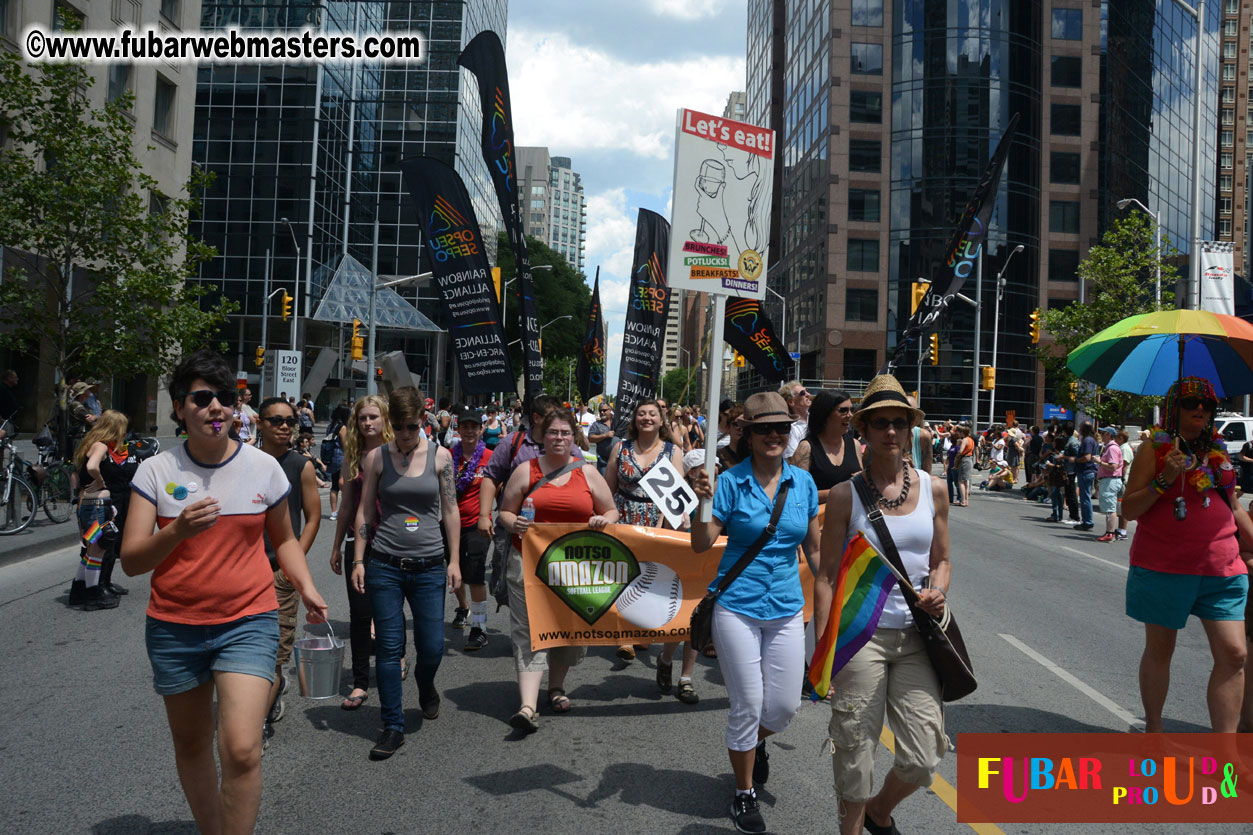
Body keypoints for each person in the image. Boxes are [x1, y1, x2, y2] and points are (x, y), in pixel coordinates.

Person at [120, 349, 328, 834]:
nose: (215, 407)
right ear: (179, 408)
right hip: (175, 628)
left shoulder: (263, 469)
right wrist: (176, 532)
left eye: (224, 399)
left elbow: (284, 541)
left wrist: (307, 585)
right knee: (192, 745)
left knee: (239, 746)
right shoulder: (156, 472)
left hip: (248, 621)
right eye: (201, 398)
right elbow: (131, 561)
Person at [813, 374, 950, 835]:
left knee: (923, 756)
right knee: (854, 750)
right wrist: (823, 651)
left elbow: (943, 559)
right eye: (880, 423)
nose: (891, 432)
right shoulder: (846, 494)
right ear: (865, 432)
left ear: (910, 429)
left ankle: (879, 810)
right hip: (859, 636)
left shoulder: (934, 489)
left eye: (899, 422)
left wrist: (939, 589)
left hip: (916, 636)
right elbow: (827, 575)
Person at [689, 392, 820, 835]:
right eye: (764, 428)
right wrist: (699, 504)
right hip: (737, 607)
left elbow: (814, 547)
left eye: (782, 428)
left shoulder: (801, 483)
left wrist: (835, 587)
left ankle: (752, 745)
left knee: (782, 708)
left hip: (786, 608)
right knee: (747, 704)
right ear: (746, 433)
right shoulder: (727, 482)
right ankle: (743, 792)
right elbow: (701, 544)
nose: (774, 436)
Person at [1122, 377, 1252, 733]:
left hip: (1223, 567)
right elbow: (1129, 510)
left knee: (1235, 654)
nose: (1200, 410)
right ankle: (1154, 729)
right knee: (1162, 650)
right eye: (1191, 403)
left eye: (1207, 405)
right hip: (1165, 566)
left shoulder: (1219, 450)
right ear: (1172, 409)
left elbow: (1234, 505)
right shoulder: (1155, 450)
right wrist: (1164, 480)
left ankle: (1226, 754)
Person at [350, 387, 460, 760]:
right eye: (398, 427)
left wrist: (454, 560)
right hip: (385, 565)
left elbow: (450, 511)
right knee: (389, 648)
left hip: (429, 567)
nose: (405, 435)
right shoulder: (376, 458)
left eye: (411, 427)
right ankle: (392, 726)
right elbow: (364, 512)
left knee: (432, 646)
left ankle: (425, 684)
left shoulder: (441, 457)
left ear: (423, 422)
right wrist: (358, 560)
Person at [496, 407, 618, 733]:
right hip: (528, 563)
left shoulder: (588, 474)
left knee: (567, 632)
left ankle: (556, 686)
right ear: (542, 437)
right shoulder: (525, 471)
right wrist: (515, 522)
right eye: (553, 433)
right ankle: (527, 705)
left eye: (565, 433)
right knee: (528, 631)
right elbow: (504, 513)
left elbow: (611, 510)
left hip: (574, 570)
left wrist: (602, 520)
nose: (559, 438)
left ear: (573, 437)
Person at [604, 398, 697, 697]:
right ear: (635, 419)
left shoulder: (674, 451)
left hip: (658, 521)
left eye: (652, 414)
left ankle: (643, 630)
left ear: (661, 420)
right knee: (624, 575)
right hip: (625, 517)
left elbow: (677, 495)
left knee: (651, 578)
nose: (646, 418)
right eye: (642, 414)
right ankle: (625, 636)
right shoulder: (621, 448)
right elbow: (608, 488)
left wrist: (665, 524)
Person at [256, 396, 321, 749]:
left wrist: (291, 563)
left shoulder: (300, 465)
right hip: (245, 572)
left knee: (276, 650)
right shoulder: (243, 461)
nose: (284, 426)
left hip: (280, 572)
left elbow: (312, 518)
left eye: (289, 421)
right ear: (260, 424)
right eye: (276, 420)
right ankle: (271, 690)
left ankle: (261, 721)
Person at [331, 396, 393, 709]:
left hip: (391, 542)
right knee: (359, 613)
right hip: (358, 541)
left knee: (389, 611)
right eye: (362, 418)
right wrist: (336, 545)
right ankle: (359, 682)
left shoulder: (398, 452)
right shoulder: (353, 454)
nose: (367, 423)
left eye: (373, 417)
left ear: (384, 419)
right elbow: (346, 506)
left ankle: (395, 659)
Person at [69, 409, 137, 611]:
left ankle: (79, 590)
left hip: (90, 505)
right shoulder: (100, 446)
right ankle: (93, 594)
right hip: (96, 505)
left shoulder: (91, 443)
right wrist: (101, 482)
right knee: (98, 550)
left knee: (91, 550)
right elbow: (92, 467)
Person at [451, 407, 492, 650]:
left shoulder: (489, 456)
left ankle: (480, 627)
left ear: (480, 430)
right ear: (458, 429)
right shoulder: (447, 455)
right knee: (454, 575)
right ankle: (464, 607)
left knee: (475, 575)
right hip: (450, 525)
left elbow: (500, 485)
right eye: (464, 426)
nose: (469, 431)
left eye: (473, 427)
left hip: (478, 525)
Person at [791, 390, 861, 503]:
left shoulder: (855, 445)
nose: (850, 415)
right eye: (843, 410)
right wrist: (844, 491)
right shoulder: (806, 448)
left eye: (851, 410)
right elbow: (796, 493)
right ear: (825, 413)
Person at [1095, 426, 1125, 542]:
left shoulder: (1112, 448)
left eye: (1103, 433)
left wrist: (1099, 462)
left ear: (1109, 435)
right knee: (1109, 507)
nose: (1101, 435)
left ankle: (1110, 533)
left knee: (1110, 508)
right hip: (1109, 480)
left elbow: (1113, 466)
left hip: (1110, 480)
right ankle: (1109, 532)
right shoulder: (1111, 447)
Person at [323, 405, 350, 521]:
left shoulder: (330, 426)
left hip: (331, 458)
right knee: (344, 485)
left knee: (334, 486)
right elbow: (345, 445)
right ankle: (345, 510)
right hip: (340, 457)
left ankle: (334, 512)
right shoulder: (342, 427)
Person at [780, 380, 812, 459]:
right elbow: (792, 459)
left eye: (807, 391)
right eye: (802, 393)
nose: (808, 394)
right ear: (791, 402)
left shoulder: (816, 418)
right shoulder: (790, 428)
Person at [586, 401, 616, 475]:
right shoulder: (596, 425)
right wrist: (605, 435)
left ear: (610, 410)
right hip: (604, 461)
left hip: (618, 460)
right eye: (600, 411)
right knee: (604, 483)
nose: (602, 412)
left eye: (604, 410)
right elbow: (590, 438)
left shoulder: (617, 422)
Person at [1116, 428, 1134, 540]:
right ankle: (1119, 528)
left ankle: (1123, 531)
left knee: (1122, 506)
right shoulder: (1122, 448)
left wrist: (1121, 478)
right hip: (1123, 480)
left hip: (1124, 480)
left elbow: (1125, 465)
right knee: (1119, 506)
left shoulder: (1125, 449)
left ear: (1121, 438)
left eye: (1117, 437)